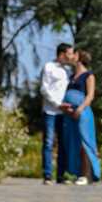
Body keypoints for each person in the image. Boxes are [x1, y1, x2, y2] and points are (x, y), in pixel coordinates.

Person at [63, 49, 101, 185]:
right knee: (73, 143)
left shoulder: (89, 75)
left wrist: (80, 108)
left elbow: (90, 96)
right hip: (70, 114)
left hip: (83, 112)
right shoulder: (71, 77)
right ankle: (75, 174)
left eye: (73, 54)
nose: (71, 56)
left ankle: (86, 175)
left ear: (78, 57)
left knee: (85, 143)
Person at [40, 43, 74, 185]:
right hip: (50, 111)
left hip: (63, 113)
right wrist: (57, 104)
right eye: (70, 54)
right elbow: (44, 89)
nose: (72, 57)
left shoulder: (67, 71)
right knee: (48, 143)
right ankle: (47, 175)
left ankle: (61, 175)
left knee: (63, 144)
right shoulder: (49, 67)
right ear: (62, 54)